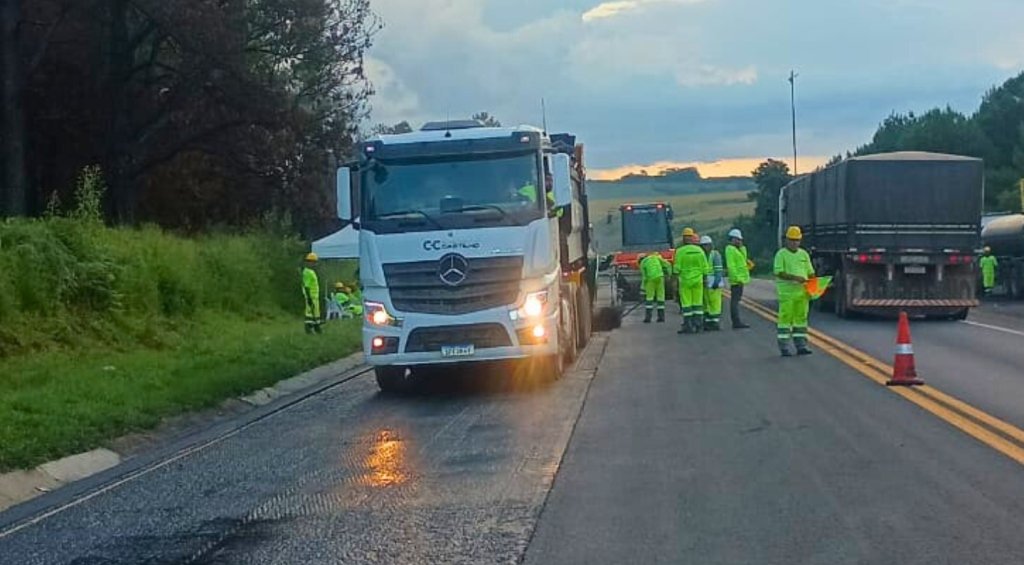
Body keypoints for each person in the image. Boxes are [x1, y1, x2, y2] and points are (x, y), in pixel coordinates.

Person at [774, 226, 815, 357]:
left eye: (797, 240)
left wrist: (814, 287)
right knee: (785, 320)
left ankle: (801, 346)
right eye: (792, 240)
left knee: (801, 320)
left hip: (802, 295)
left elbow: (811, 273)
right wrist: (795, 278)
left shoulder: (804, 254)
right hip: (787, 295)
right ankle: (784, 347)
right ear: (787, 240)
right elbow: (779, 272)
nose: (794, 242)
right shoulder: (781, 254)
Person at [674, 228, 711, 334]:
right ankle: (698, 326)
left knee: (686, 305)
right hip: (698, 281)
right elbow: (705, 268)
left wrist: (675, 283)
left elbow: (676, 269)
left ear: (684, 238)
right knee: (698, 304)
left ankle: (688, 326)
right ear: (692, 237)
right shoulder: (700, 251)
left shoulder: (680, 251)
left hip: (685, 281)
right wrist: (705, 280)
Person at [724, 228, 752, 329]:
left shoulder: (738, 250)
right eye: (738, 239)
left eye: (740, 240)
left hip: (740, 279)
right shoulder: (730, 249)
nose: (740, 241)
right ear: (733, 239)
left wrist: (742, 247)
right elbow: (731, 266)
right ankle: (736, 322)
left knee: (736, 300)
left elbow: (744, 259)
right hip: (737, 280)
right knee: (735, 301)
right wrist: (737, 278)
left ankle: (737, 321)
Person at [640, 252, 672, 323]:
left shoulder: (643, 263)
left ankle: (648, 318)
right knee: (660, 297)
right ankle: (661, 317)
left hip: (650, 279)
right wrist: (669, 275)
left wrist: (642, 289)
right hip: (660, 277)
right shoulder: (656, 257)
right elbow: (668, 264)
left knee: (649, 298)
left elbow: (644, 277)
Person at [701, 236, 724, 331]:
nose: (705, 247)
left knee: (715, 303)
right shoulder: (701, 255)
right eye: (703, 246)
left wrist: (716, 281)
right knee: (706, 303)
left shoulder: (715, 255)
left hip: (714, 283)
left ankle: (715, 322)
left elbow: (718, 270)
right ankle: (708, 321)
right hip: (706, 283)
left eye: (707, 245)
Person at [302, 253, 323, 334]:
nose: (314, 264)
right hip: (311, 295)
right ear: (309, 262)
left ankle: (316, 326)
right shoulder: (307, 272)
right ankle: (309, 328)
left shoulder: (311, 271)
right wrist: (309, 297)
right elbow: (306, 286)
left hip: (314, 295)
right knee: (310, 313)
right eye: (313, 262)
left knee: (315, 312)